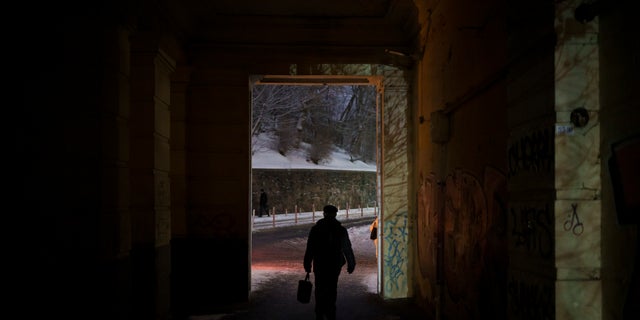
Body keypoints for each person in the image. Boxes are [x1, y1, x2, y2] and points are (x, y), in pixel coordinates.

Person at [303, 205, 356, 320]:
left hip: (320, 264)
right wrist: (351, 263)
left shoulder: (316, 229)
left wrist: (307, 264)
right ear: (335, 215)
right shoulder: (340, 230)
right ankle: (330, 312)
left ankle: (319, 313)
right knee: (332, 289)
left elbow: (310, 248)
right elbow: (347, 248)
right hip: (334, 264)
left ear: (324, 214)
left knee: (320, 289)